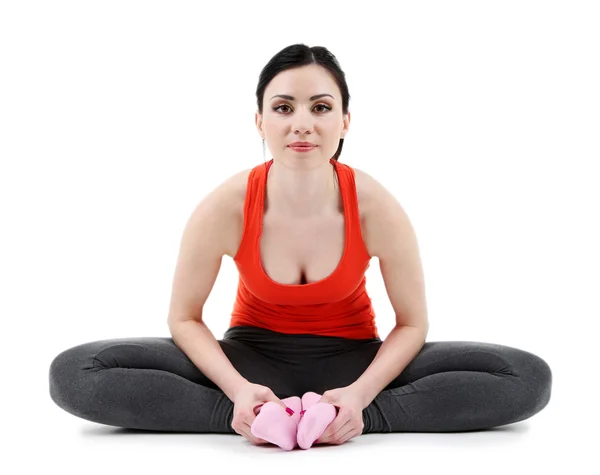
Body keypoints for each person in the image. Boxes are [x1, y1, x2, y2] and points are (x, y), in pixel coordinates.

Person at [48, 44, 552, 449]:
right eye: (284, 107)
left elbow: (413, 324)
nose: (302, 123)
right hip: (250, 359)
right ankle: (253, 419)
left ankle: (350, 420)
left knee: (524, 377)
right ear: (260, 121)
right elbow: (184, 318)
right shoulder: (224, 206)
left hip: (354, 363)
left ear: (345, 122)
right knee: (78, 373)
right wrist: (238, 394)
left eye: (321, 107)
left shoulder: (377, 206)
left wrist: (359, 398)